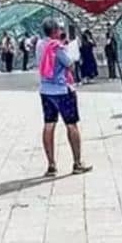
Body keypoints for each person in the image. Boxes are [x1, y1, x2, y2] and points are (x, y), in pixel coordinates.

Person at [38, 19, 92, 176]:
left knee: (49, 124)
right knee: (71, 124)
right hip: (62, 90)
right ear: (55, 31)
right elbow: (70, 64)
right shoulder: (57, 48)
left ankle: (51, 165)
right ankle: (77, 162)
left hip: (46, 90)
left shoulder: (40, 45)